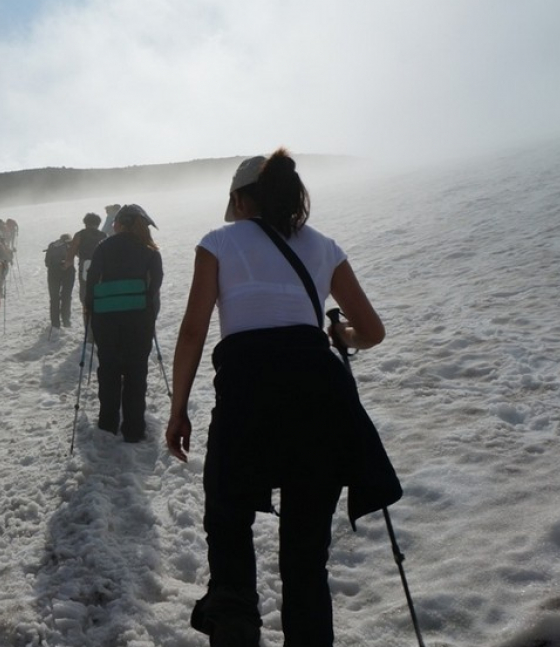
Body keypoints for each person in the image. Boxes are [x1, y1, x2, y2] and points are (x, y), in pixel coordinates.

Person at [164, 149, 401, 647]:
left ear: (241, 198)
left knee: (228, 522)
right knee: (305, 558)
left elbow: (192, 332)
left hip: (248, 393)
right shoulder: (324, 247)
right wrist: (342, 337)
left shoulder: (219, 243)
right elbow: (372, 331)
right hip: (320, 395)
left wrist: (178, 407)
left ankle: (234, 627)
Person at [84, 204, 162, 443]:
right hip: (139, 319)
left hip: (106, 319)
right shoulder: (150, 251)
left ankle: (108, 424)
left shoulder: (104, 247)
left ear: (120, 223)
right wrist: (150, 316)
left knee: (108, 369)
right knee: (136, 371)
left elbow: (91, 283)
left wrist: (90, 311)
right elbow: (154, 288)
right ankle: (134, 428)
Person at [64, 213, 108, 316]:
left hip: (85, 266)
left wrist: (66, 264)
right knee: (99, 292)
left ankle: (87, 317)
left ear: (85, 223)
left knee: (85, 294)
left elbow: (71, 253)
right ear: (98, 223)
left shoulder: (79, 235)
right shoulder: (103, 235)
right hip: (101, 266)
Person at [44, 233, 75, 328]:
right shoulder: (71, 244)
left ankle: (55, 322)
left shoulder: (52, 245)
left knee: (54, 298)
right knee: (66, 296)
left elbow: (47, 263)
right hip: (68, 272)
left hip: (53, 272)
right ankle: (66, 320)